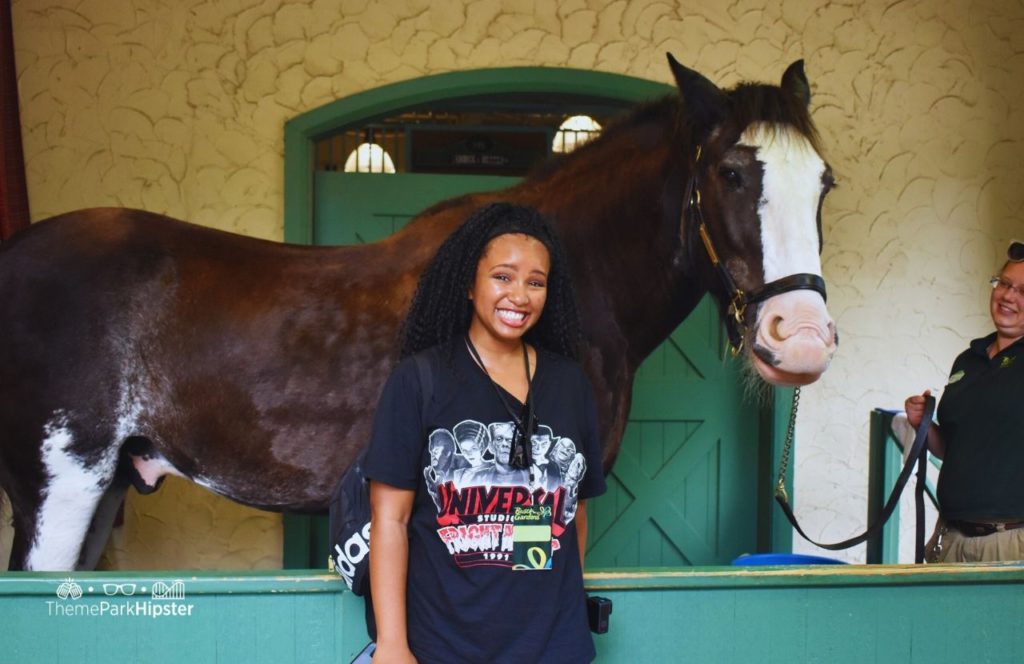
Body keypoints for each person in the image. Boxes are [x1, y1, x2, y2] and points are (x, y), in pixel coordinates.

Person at [363, 202, 606, 663]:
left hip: (553, 647)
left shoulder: (570, 385)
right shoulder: (419, 381)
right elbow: (390, 521)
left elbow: (575, 518)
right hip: (444, 647)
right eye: (503, 276)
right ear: (469, 286)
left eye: (536, 282)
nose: (520, 295)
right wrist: (393, 645)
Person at [905, 239, 1024, 562]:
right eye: (1005, 284)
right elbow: (953, 448)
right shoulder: (968, 360)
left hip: (1010, 542)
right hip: (951, 537)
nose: (1009, 296)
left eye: (1023, 292)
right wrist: (924, 426)